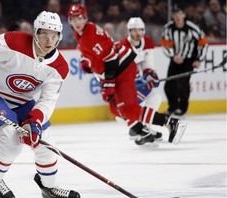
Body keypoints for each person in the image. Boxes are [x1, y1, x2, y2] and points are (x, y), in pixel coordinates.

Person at [0, 11, 80, 198]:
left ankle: (49, 187)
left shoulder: (59, 66)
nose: (49, 40)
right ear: (35, 32)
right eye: (44, 34)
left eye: (54, 35)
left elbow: (48, 99)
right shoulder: (12, 41)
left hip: (22, 101)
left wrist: (35, 121)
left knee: (45, 141)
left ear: (59, 36)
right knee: (11, 138)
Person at [67, 4, 187, 146]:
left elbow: (110, 58)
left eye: (80, 18)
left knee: (129, 108)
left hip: (122, 70)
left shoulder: (88, 36)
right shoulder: (84, 32)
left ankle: (171, 123)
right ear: (69, 21)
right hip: (118, 69)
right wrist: (88, 62)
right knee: (115, 108)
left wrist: (108, 84)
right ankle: (140, 130)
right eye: (74, 20)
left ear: (85, 18)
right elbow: (98, 53)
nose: (77, 23)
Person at [118, 17, 163, 145]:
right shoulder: (123, 46)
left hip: (137, 81)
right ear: (129, 31)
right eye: (134, 30)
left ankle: (144, 127)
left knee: (155, 96)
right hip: (125, 85)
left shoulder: (147, 42)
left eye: (140, 30)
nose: (138, 33)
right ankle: (135, 128)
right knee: (128, 108)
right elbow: (122, 71)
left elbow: (148, 64)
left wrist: (150, 75)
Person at [161, 4, 208, 116]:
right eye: (175, 14)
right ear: (172, 15)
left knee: (183, 84)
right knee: (169, 85)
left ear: (184, 15)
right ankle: (172, 107)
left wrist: (198, 59)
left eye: (180, 14)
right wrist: (173, 56)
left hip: (188, 60)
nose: (178, 16)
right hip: (175, 60)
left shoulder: (192, 28)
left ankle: (182, 109)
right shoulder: (168, 28)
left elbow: (203, 43)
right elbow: (165, 44)